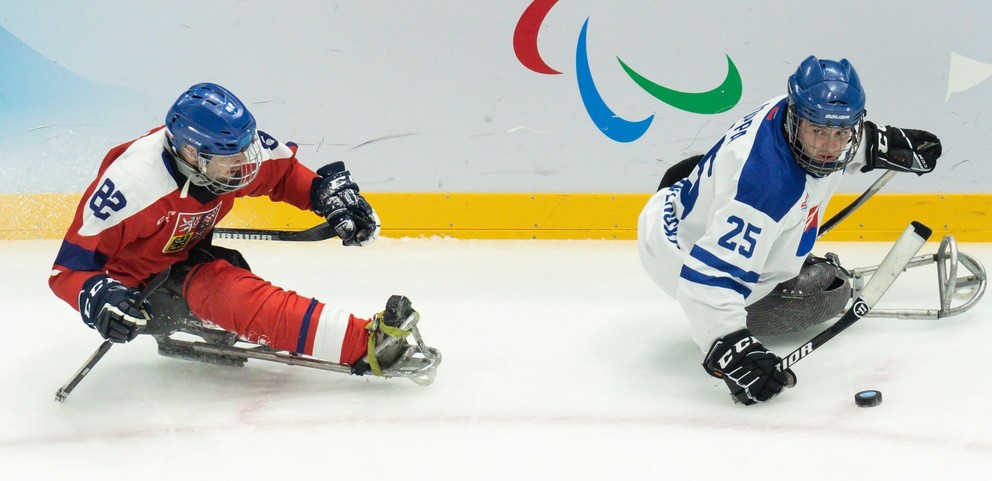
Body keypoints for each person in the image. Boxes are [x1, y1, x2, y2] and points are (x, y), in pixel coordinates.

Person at [50, 82, 416, 377]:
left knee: (228, 286)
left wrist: (323, 194)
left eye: (246, 153)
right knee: (233, 295)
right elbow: (67, 271)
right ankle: (362, 344)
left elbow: (283, 174)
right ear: (191, 155)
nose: (245, 167)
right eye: (232, 161)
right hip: (141, 286)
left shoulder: (225, 152)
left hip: (185, 248)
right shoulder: (130, 188)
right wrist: (100, 299)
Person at [637, 56, 942, 405]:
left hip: (672, 205)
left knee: (781, 216)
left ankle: (777, 248)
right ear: (799, 119)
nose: (830, 147)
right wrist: (732, 351)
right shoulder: (766, 190)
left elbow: (830, 128)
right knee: (831, 289)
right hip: (682, 265)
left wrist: (877, 143)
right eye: (819, 133)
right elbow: (704, 284)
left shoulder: (783, 110)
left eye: (842, 133)